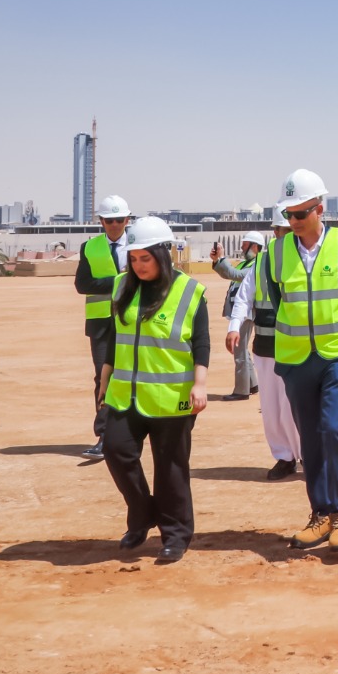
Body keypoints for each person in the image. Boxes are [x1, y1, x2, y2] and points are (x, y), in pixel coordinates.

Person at [266, 169, 338, 552]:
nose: (294, 222)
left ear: (320, 209)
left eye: (301, 214)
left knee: (334, 428)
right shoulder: (276, 252)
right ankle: (320, 514)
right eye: (289, 216)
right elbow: (277, 299)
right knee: (310, 440)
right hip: (298, 359)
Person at [100, 217, 209, 564]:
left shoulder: (190, 292)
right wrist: (103, 378)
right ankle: (143, 512)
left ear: (164, 254)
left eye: (145, 258)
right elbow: (114, 336)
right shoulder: (121, 286)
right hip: (124, 393)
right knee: (116, 451)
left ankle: (176, 534)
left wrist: (201, 384)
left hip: (171, 397)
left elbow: (202, 343)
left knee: (171, 468)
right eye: (133, 259)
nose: (138, 266)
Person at [229, 207, 300, 480]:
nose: (286, 236)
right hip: (267, 349)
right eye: (282, 231)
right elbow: (244, 299)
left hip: (298, 349)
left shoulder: (306, 262)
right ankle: (284, 457)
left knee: (297, 406)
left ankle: (306, 454)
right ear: (275, 233)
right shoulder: (261, 264)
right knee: (272, 408)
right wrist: (234, 326)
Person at [73, 193, 133, 461]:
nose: (114, 225)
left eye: (119, 220)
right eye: (109, 220)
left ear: (127, 220)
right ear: (101, 221)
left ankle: (133, 434)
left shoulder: (139, 244)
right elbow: (82, 284)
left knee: (135, 377)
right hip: (100, 325)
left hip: (132, 321)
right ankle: (104, 436)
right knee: (103, 378)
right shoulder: (90, 247)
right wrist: (121, 280)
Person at [209, 232, 265, 401]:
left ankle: (241, 391)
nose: (241, 247)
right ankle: (252, 384)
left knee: (239, 352)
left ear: (254, 246)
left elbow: (234, 274)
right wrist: (217, 260)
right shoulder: (245, 263)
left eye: (245, 244)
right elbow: (229, 273)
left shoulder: (256, 265)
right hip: (241, 313)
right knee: (243, 351)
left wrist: (222, 258)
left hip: (246, 314)